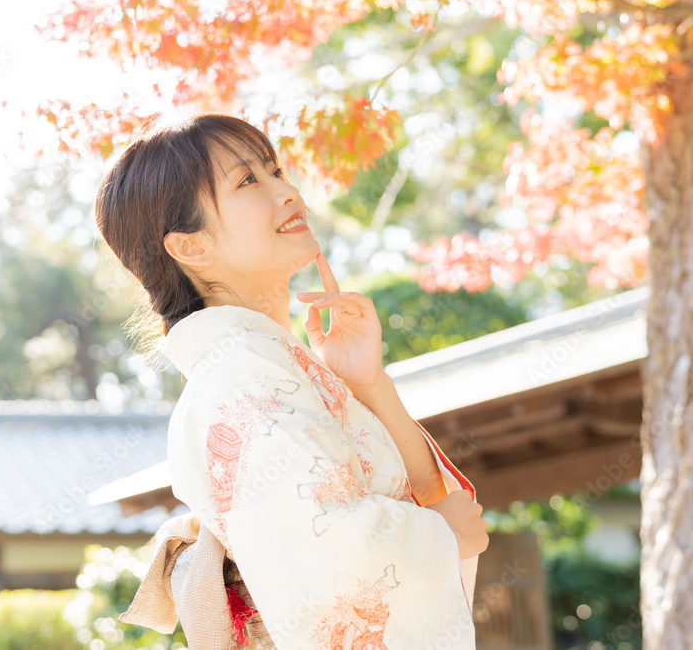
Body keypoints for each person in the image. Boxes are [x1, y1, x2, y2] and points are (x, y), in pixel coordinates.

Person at [94, 112, 488, 649]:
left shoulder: (267, 364)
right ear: (191, 247)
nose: (287, 191)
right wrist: (441, 535)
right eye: (247, 181)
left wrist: (367, 383)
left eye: (275, 170)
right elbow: (324, 555)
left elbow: (425, 493)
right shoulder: (238, 373)